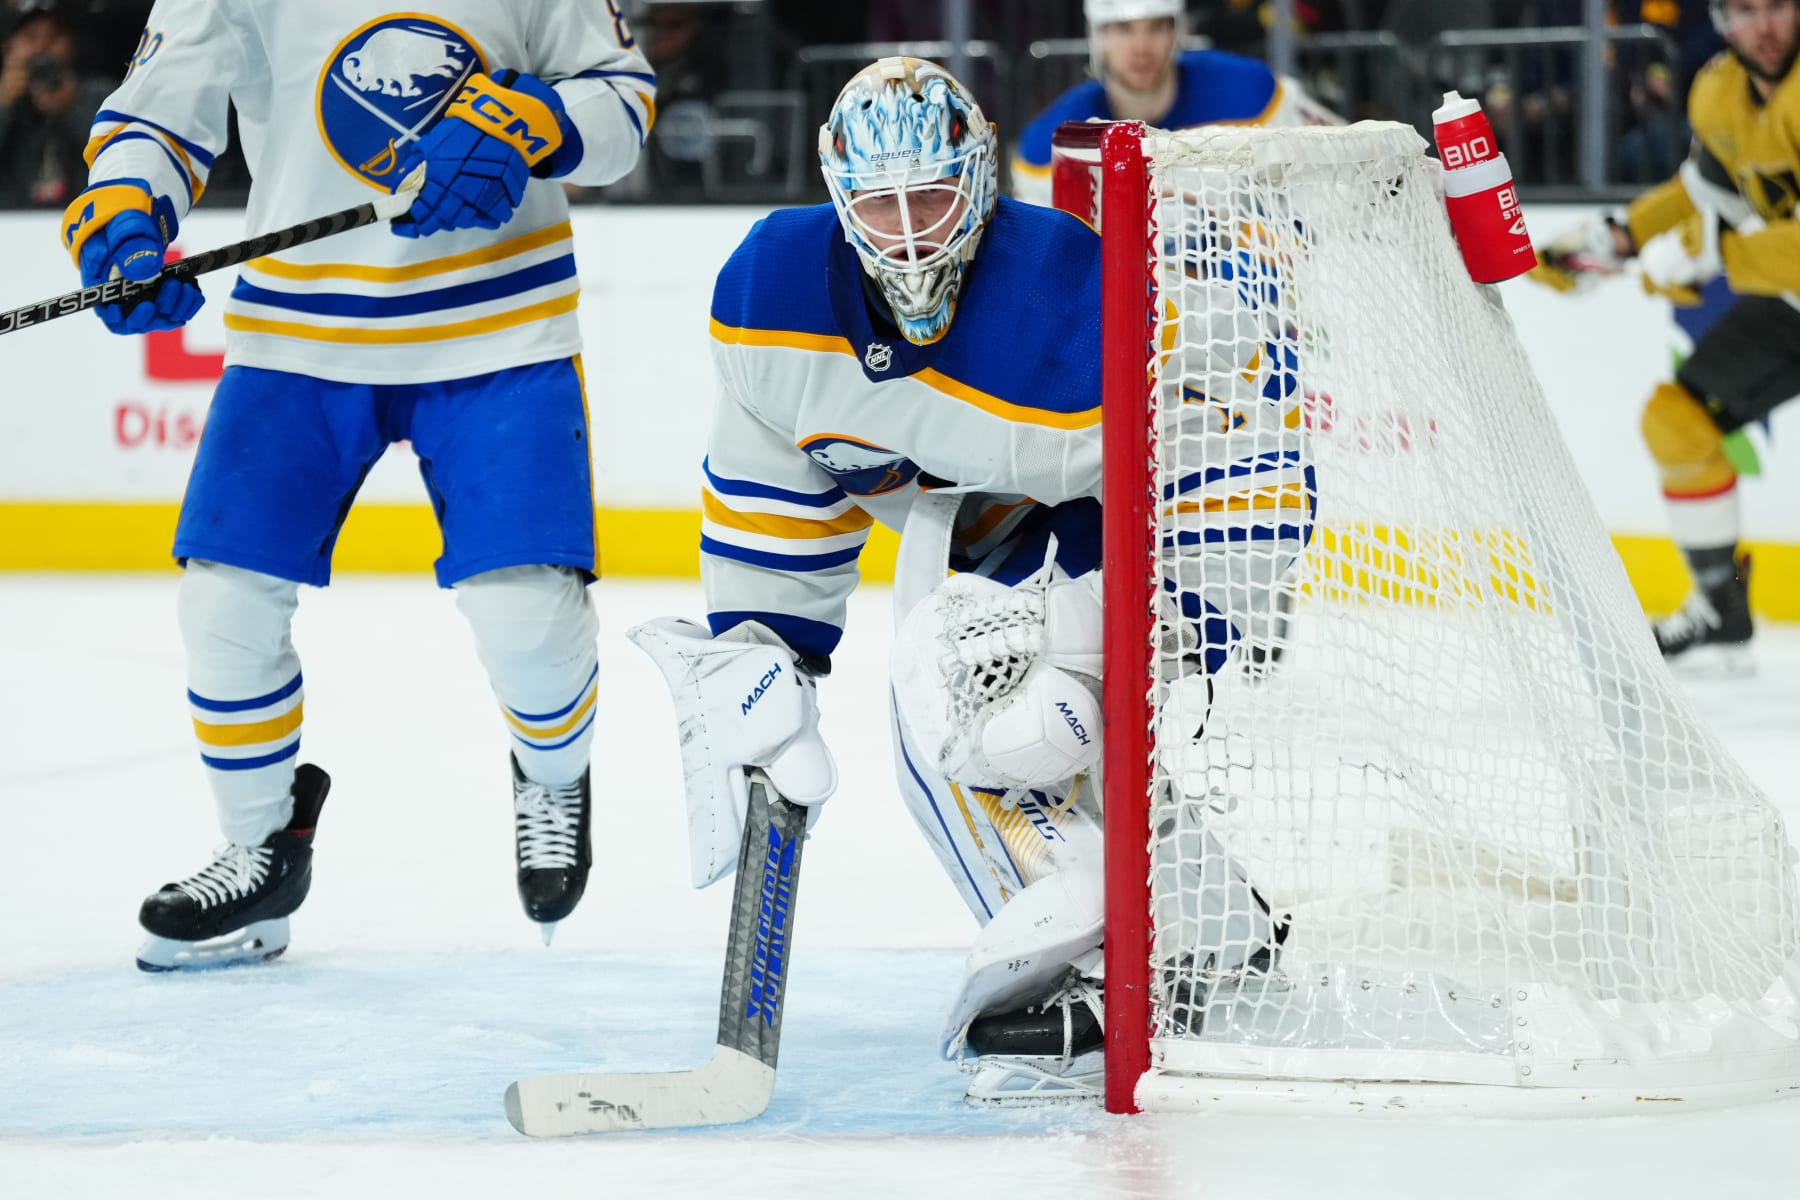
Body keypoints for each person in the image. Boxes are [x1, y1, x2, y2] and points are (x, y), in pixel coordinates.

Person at [628, 56, 1302, 1104]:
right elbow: (771, 479)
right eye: (878, 203)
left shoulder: (1082, 289)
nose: (907, 233)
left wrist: (1192, 620)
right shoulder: (772, 293)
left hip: (1138, 533)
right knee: (972, 710)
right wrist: (766, 652)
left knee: (975, 721)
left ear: (981, 179)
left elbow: (1247, 408)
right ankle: (1212, 925)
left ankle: (1087, 972)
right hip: (974, 537)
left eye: (932, 195)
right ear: (835, 195)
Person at [58, 1, 656, 969]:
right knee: (222, 605)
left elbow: (621, 106)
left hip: (498, 326)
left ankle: (552, 775)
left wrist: (531, 125)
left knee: (527, 617)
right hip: (298, 333)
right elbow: (162, 107)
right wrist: (125, 207)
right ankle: (261, 851)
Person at [1531, 0, 1798, 674]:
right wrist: (1619, 238)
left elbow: (1723, 232)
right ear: (1722, 18)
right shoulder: (1719, 92)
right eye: (1745, 10)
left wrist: (1718, 252)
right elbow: (1705, 191)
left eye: (1778, 7)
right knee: (1675, 421)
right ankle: (1720, 609)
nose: (1764, 27)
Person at [1011, 0, 1337, 207]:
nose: (1141, 47)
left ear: (1176, 32)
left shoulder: (1248, 91)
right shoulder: (1050, 145)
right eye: (1124, 29)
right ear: (1098, 39)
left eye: (1156, 28)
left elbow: (1327, 192)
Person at [0, 0, 110, 206]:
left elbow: (121, 152)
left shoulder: (100, 95)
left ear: (71, 45)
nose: (42, 47)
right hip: (9, 223)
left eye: (54, 37)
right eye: (30, 37)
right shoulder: (4, 96)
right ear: (8, 47)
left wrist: (72, 107)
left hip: (84, 215)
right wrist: (3, 106)